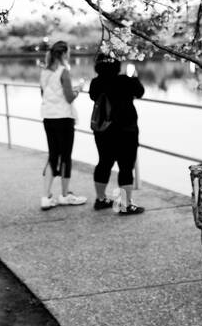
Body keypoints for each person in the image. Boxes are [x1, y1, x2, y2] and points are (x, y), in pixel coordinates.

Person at [89, 52, 145, 215]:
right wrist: (134, 77)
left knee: (104, 162)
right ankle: (126, 204)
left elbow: (93, 97)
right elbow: (140, 92)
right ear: (117, 65)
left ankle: (100, 199)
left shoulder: (96, 83)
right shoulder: (126, 81)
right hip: (126, 130)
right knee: (126, 166)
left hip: (103, 130)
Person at [39, 41, 86, 209]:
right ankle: (65, 195)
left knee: (53, 155)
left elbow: (44, 94)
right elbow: (69, 97)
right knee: (65, 156)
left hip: (48, 118)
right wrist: (78, 89)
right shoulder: (63, 71)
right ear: (64, 53)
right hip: (64, 118)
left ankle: (45, 197)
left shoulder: (44, 72)